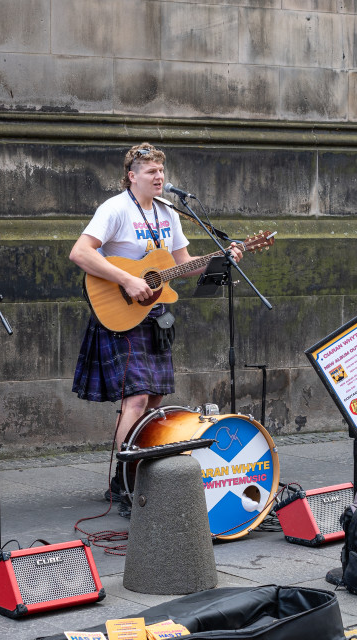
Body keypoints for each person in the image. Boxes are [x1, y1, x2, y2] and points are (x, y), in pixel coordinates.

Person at [69, 143, 242, 498]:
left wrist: (222, 258)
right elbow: (80, 252)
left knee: (154, 398)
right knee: (135, 397)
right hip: (119, 311)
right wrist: (127, 279)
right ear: (132, 177)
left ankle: (142, 469)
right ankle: (122, 478)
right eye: (150, 171)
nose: (159, 176)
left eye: (161, 170)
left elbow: (184, 262)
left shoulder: (168, 213)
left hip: (154, 313)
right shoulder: (114, 209)